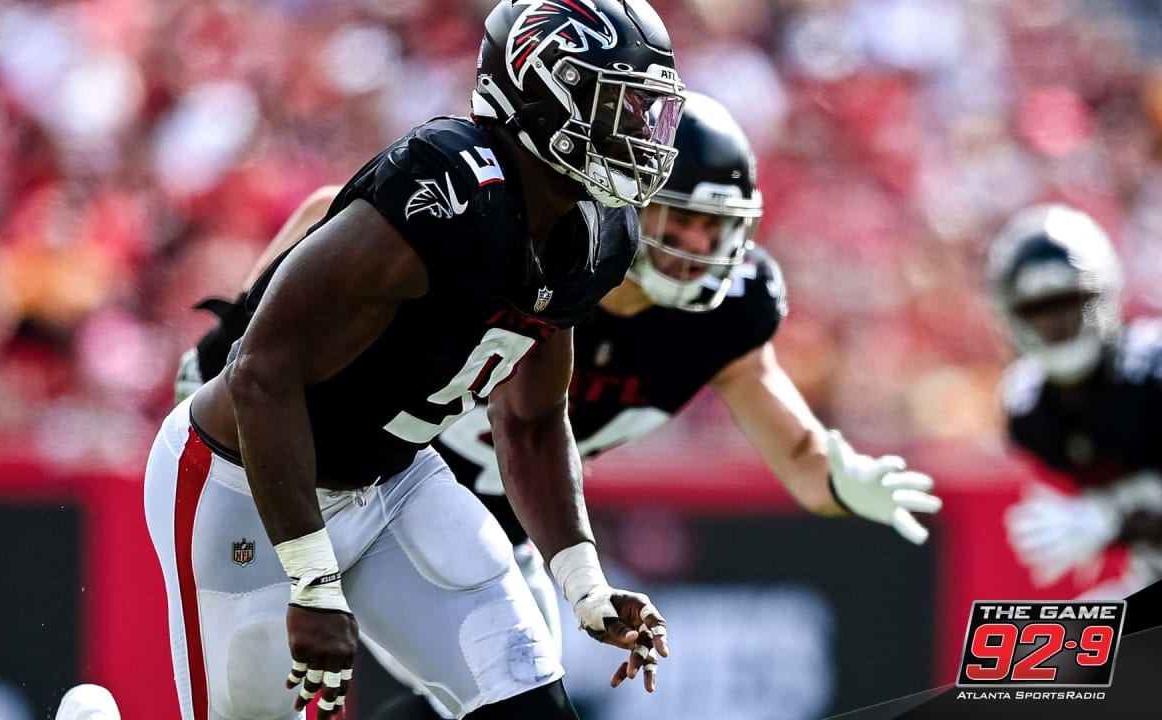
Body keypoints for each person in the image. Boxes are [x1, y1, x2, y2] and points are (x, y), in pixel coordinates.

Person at [179, 92, 944, 719]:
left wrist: (844, 478)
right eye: (686, 221)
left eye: (720, 228)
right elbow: (340, 215)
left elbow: (794, 457)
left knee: (519, 694)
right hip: (379, 467)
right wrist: (235, 339)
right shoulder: (559, 243)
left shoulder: (718, 313)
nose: (703, 246)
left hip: (499, 519)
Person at [145, 1, 687, 719]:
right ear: (542, 87)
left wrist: (585, 582)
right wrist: (312, 579)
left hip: (394, 481)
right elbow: (262, 375)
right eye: (617, 102)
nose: (637, 131)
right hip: (240, 484)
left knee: (525, 699)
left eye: (645, 109)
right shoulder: (447, 190)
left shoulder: (598, 232)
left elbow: (528, 421)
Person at [991, 204, 1162, 598]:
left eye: (1069, 304)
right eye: (1038, 311)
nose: (1054, 324)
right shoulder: (1031, 409)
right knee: (1070, 651)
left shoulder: (1152, 373)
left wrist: (1114, 521)